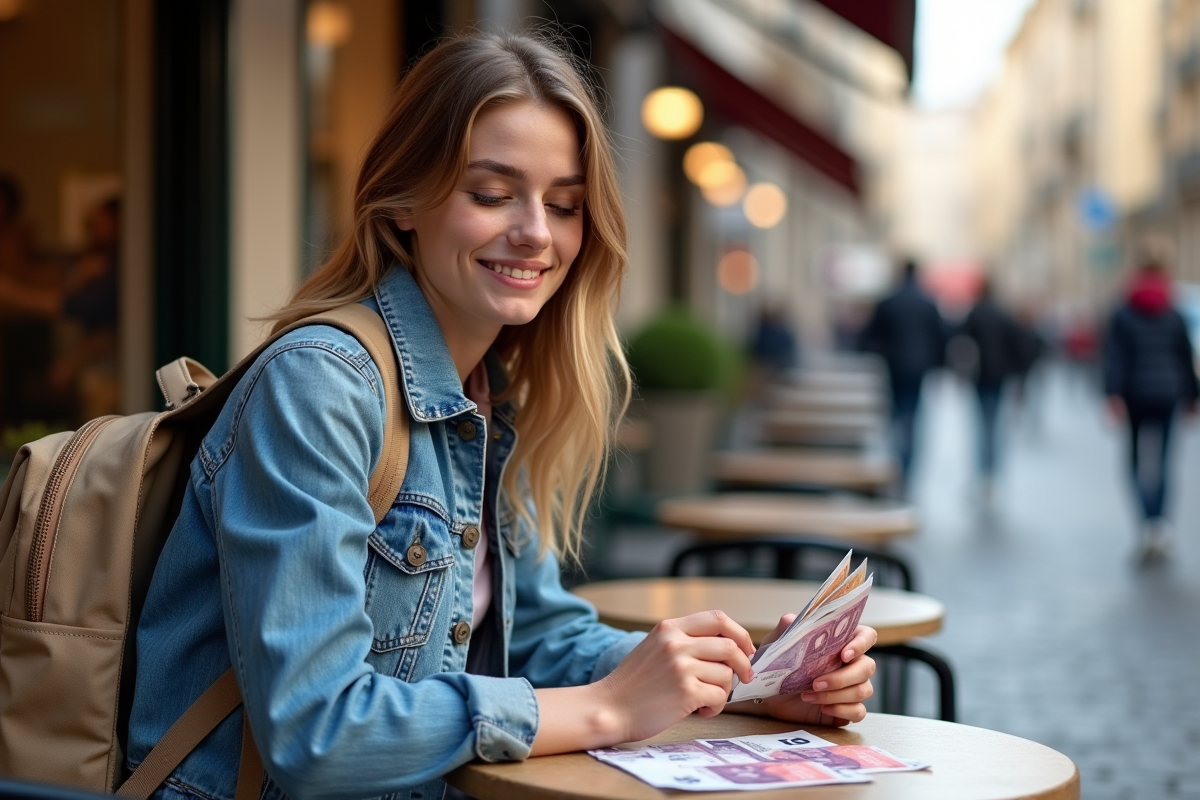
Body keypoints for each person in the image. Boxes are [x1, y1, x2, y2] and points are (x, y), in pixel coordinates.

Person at [126, 31, 878, 800]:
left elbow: (542, 636)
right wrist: (608, 706)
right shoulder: (321, 385)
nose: (536, 232)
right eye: (490, 194)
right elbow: (317, 731)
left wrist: (738, 684)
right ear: (404, 204)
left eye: (564, 204)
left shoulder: (491, 390)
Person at [1102, 259, 1198, 559]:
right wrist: (1193, 397)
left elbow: (1114, 357)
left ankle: (1147, 523)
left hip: (1134, 395)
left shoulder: (1123, 313)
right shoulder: (1173, 312)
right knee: (1165, 462)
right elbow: (1185, 357)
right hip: (1169, 393)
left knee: (1134, 463)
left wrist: (1112, 394)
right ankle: (1160, 526)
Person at [857, 258, 948, 491]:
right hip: (918, 369)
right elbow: (940, 338)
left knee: (896, 415)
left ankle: (897, 463)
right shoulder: (927, 303)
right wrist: (937, 367)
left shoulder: (889, 301)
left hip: (894, 367)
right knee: (912, 417)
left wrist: (874, 352)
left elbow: (868, 335)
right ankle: (907, 467)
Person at [959, 278, 1025, 499]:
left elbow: (962, 343)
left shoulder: (975, 314)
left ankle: (984, 475)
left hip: (980, 376)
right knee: (994, 426)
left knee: (983, 426)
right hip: (999, 377)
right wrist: (1017, 376)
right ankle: (992, 475)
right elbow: (1018, 345)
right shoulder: (1002, 314)